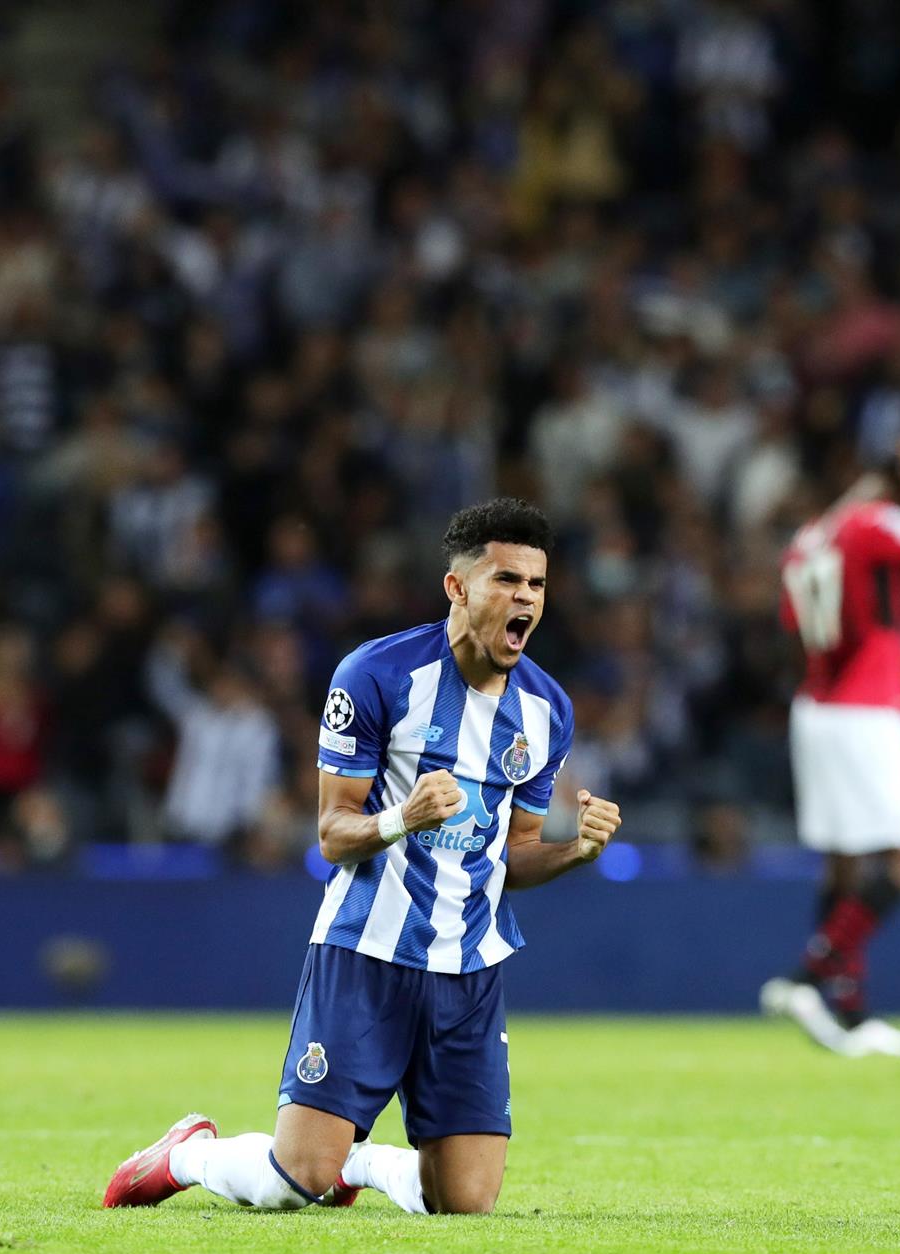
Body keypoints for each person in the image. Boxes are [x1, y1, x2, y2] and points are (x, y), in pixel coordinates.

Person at [103, 499, 623, 1214]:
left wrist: (577, 852)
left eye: (536, 584)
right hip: (367, 952)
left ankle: (362, 1164)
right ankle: (187, 1154)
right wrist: (403, 817)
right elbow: (331, 832)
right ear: (457, 587)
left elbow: (518, 855)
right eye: (506, 580)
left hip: (468, 967)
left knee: (465, 1203)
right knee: (295, 1180)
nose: (525, 598)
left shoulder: (547, 710)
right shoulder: (377, 674)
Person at [758, 437, 900, 1057]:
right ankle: (805, 978)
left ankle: (852, 1016)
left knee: (844, 868)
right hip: (868, 709)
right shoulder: (873, 522)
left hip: (816, 706)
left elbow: (793, 632)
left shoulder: (808, 537)